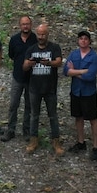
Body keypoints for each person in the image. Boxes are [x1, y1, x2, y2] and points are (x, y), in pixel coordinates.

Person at [22, 23, 64, 155]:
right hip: (34, 88)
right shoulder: (31, 49)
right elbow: (24, 67)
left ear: (47, 34)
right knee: (34, 115)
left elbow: (59, 62)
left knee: (53, 116)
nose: (41, 36)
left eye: (43, 34)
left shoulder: (54, 47)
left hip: (50, 88)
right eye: (39, 34)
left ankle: (56, 141)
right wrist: (28, 63)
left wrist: (49, 63)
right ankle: (33, 140)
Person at [63, 30, 97, 160]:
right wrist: (82, 71)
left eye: (86, 39)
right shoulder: (74, 54)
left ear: (89, 41)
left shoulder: (94, 57)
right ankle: (81, 142)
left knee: (92, 119)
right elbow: (65, 71)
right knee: (78, 117)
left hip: (88, 93)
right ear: (78, 41)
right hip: (76, 91)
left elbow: (90, 76)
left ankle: (96, 146)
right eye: (81, 38)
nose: (83, 41)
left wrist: (74, 72)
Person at [0, 16, 37, 142]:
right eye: (23, 24)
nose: (25, 26)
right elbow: (11, 55)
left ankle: (26, 131)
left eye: (27, 24)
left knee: (29, 106)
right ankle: (10, 130)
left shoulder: (36, 40)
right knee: (13, 104)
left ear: (31, 25)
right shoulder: (14, 39)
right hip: (17, 77)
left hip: (32, 79)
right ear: (19, 25)